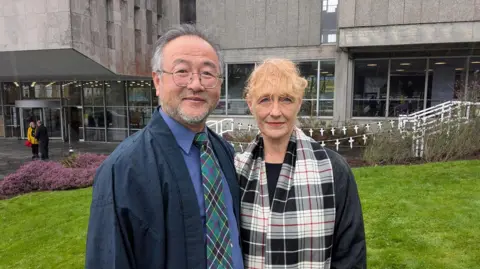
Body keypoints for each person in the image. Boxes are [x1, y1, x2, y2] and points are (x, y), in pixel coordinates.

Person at [85, 24, 244, 269]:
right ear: (157, 81)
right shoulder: (124, 169)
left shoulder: (223, 152)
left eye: (207, 73)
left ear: (219, 84)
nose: (196, 84)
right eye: (182, 71)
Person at [235, 59, 366, 268]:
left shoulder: (333, 169)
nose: (275, 111)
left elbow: (351, 254)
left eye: (286, 99)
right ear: (250, 104)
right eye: (265, 100)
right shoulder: (235, 170)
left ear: (299, 102)